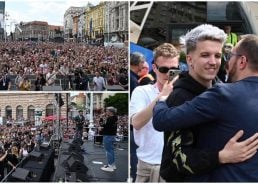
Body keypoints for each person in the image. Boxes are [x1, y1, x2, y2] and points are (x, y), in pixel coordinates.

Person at [156, 24, 258, 182]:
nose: (213, 62)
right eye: (205, 55)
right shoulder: (179, 96)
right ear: (190, 59)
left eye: (217, 55)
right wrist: (221, 157)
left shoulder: (224, 90)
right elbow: (178, 160)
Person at [130, 43, 180, 182]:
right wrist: (161, 96)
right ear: (154, 68)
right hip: (148, 166)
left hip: (174, 165)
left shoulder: (183, 93)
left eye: (173, 70)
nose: (168, 74)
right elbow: (136, 123)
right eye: (164, 69)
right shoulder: (142, 91)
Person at [130, 52, 145, 181]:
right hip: (133, 123)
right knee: (134, 152)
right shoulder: (133, 80)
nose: (144, 65)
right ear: (137, 63)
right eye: (142, 62)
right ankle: (135, 177)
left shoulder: (133, 78)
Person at [100, 107, 118, 172]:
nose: (106, 112)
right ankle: (112, 165)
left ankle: (110, 166)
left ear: (111, 112)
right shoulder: (115, 117)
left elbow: (103, 125)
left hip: (108, 135)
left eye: (107, 111)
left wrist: (101, 118)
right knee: (111, 150)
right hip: (112, 135)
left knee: (108, 151)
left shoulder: (110, 118)